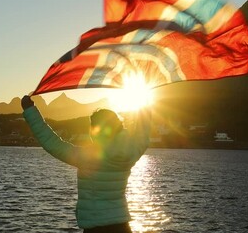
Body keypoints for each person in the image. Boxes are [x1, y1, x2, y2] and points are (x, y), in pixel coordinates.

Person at [21, 95, 151, 233]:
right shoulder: (132, 151)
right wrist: (145, 106)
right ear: (118, 125)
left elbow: (52, 143)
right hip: (122, 226)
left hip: (95, 228)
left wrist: (30, 110)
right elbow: (143, 133)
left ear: (95, 130)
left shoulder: (89, 157)